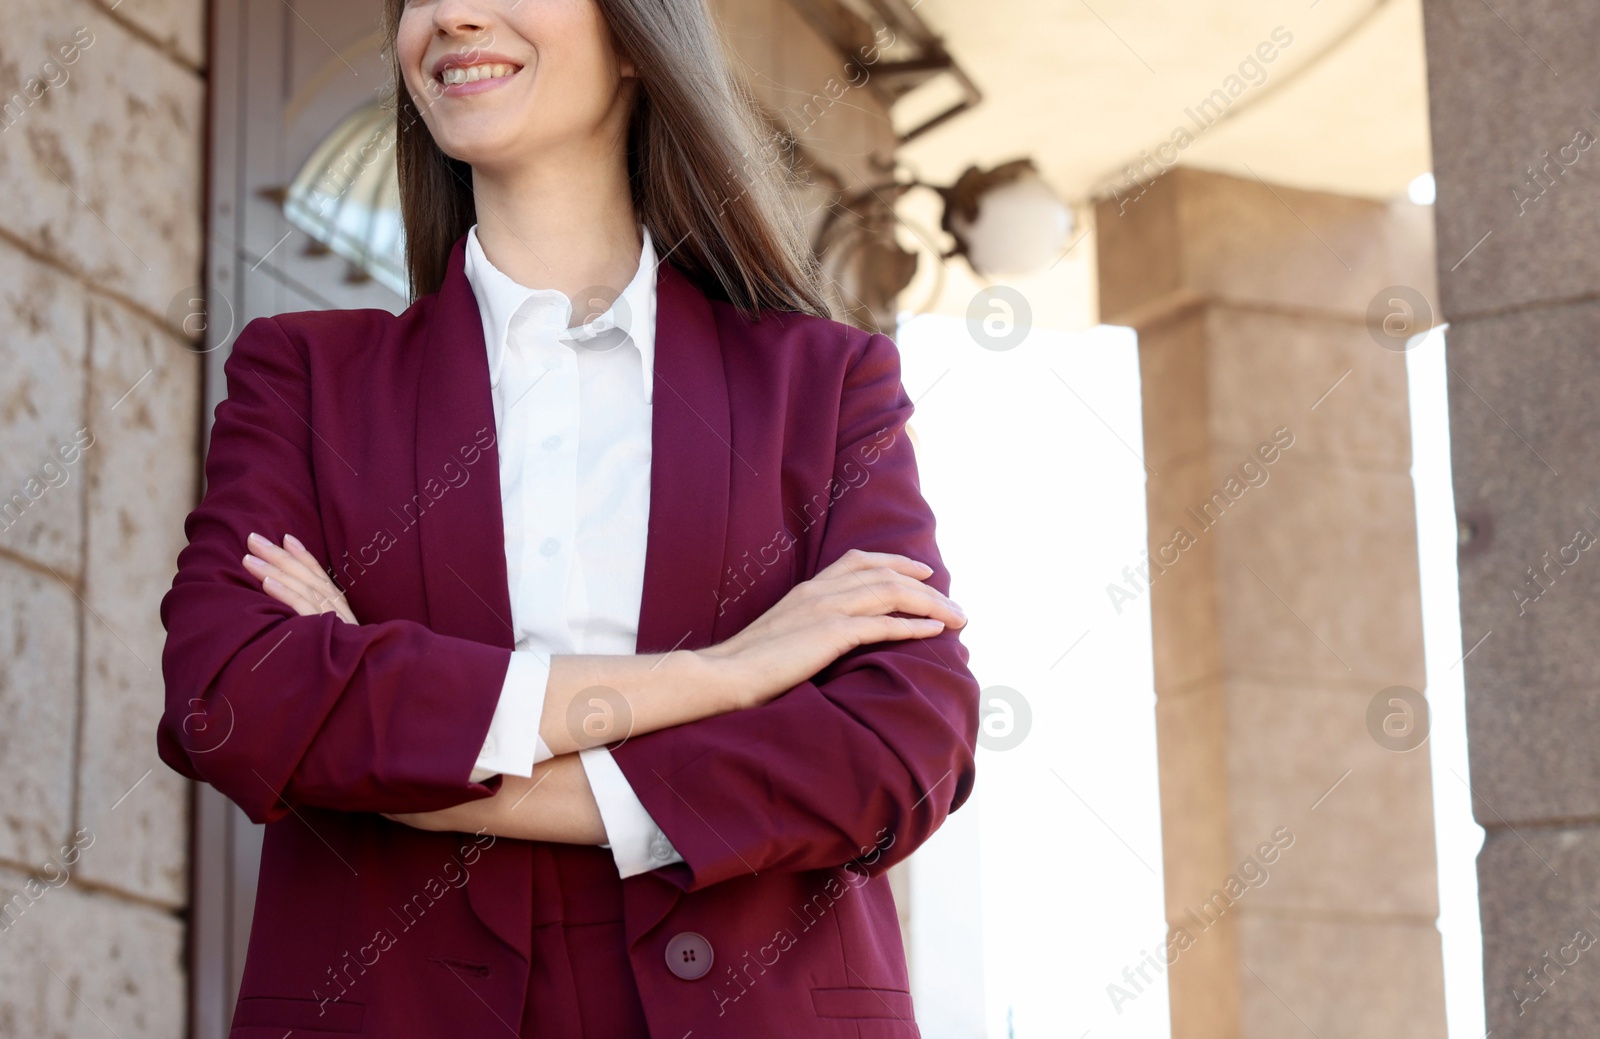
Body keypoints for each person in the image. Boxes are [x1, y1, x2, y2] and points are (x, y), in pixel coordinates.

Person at [156, 0, 979, 1035]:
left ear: (638, 37)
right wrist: (724, 676)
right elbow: (230, 698)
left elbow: (902, 746)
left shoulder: (823, 385)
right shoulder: (306, 376)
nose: (450, 14)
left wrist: (414, 761)